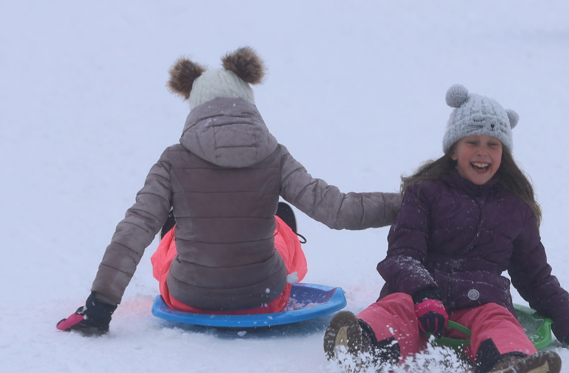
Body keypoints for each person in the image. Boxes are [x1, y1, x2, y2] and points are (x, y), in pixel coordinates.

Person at [57, 47, 401, 335]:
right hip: (264, 294)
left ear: (194, 105)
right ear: (248, 100)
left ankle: (178, 234)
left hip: (187, 296)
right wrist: (408, 202)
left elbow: (134, 230)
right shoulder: (274, 155)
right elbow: (337, 210)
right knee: (281, 228)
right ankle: (278, 237)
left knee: (170, 240)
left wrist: (100, 305)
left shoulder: (173, 160)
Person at [323, 85, 569, 373]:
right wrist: (424, 292)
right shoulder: (426, 194)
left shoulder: (515, 209)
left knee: (500, 321)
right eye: (472, 142)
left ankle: (511, 369)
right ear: (453, 149)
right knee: (395, 309)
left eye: (493, 144)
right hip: (420, 300)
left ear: (503, 154)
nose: (482, 152)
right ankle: (358, 349)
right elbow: (402, 255)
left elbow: (536, 278)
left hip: (480, 303)